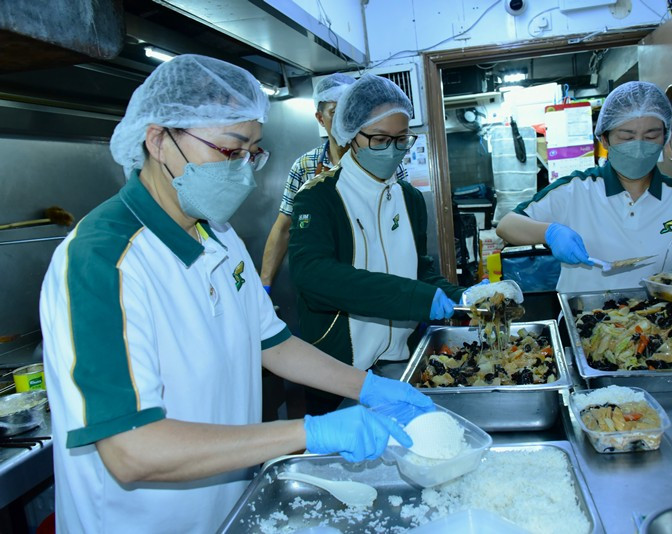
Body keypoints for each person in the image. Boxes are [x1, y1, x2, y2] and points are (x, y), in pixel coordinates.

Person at [38, 55, 432, 534]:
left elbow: (273, 343)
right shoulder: (103, 259)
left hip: (227, 510)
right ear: (159, 140)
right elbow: (131, 450)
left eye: (253, 153)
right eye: (230, 151)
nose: (244, 171)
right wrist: (308, 432)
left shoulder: (219, 235)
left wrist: (368, 388)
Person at [288, 74, 470, 414]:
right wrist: (413, 298)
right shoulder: (320, 197)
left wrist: (462, 297)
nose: (393, 150)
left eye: (401, 140)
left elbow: (419, 270)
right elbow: (312, 275)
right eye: (380, 139)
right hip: (339, 369)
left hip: (402, 359)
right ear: (350, 135)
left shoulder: (409, 198)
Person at [496, 81, 672, 296]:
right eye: (627, 137)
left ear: (665, 136)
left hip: (660, 321)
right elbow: (507, 226)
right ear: (604, 139)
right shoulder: (576, 190)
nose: (639, 146)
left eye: (651, 136)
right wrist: (550, 232)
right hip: (584, 319)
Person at [259, 73, 408, 293]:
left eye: (350, 112)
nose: (343, 120)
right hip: (326, 281)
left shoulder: (386, 162)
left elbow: (404, 224)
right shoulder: (305, 167)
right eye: (335, 112)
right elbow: (283, 228)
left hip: (379, 278)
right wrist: (264, 284)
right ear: (320, 118)